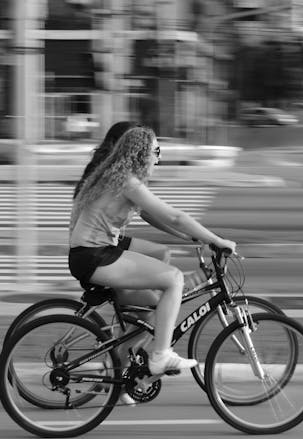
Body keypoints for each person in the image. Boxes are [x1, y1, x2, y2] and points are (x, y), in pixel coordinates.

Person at [68, 126, 236, 375]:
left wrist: (193, 236)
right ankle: (160, 355)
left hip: (94, 253)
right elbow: (174, 216)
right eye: (156, 151)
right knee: (174, 278)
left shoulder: (119, 177)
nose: (158, 157)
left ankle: (122, 370)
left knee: (153, 308)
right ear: (141, 153)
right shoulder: (127, 182)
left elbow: (159, 216)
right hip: (95, 255)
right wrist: (217, 240)